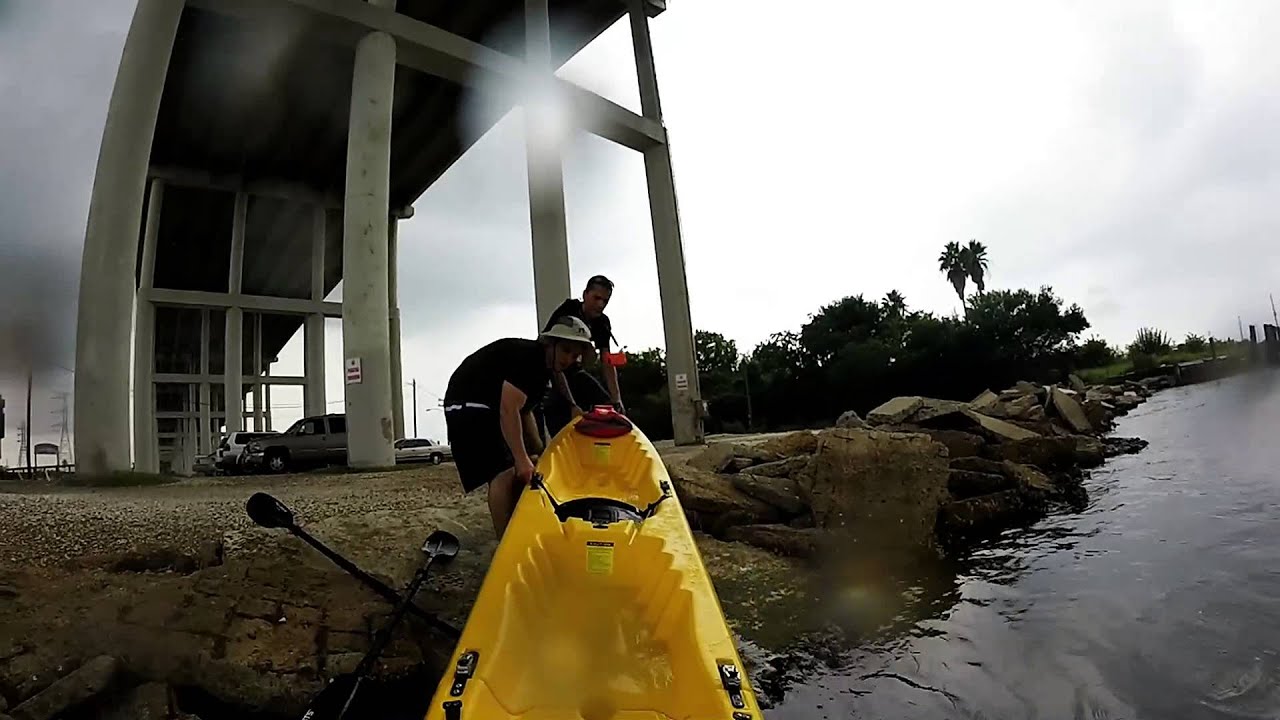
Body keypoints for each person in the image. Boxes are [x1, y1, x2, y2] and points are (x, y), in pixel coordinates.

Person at [443, 316, 596, 537]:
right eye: (565, 350)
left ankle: (519, 527)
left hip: (487, 406)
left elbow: (524, 413)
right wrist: (521, 459)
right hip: (467, 405)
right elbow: (508, 409)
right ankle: (505, 545)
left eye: (574, 355)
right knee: (503, 474)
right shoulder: (530, 359)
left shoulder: (542, 371)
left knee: (527, 464)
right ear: (549, 343)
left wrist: (540, 452)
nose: (568, 359)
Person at [541, 275, 624, 438]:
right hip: (552, 369)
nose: (600, 305)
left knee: (608, 407)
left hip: (575, 370)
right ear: (585, 295)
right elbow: (551, 355)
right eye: (596, 298)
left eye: (605, 301)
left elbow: (606, 360)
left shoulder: (602, 322)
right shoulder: (568, 311)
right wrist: (572, 404)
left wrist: (616, 399)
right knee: (560, 409)